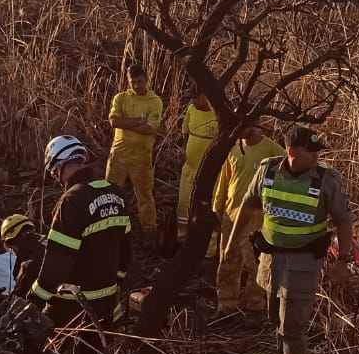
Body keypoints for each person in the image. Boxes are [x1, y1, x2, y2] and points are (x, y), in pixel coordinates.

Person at [227, 126, 357, 354]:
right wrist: (231, 242)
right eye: (312, 152)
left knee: (292, 325)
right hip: (272, 259)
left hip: (303, 262)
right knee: (276, 318)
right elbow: (248, 203)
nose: (317, 157)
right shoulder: (267, 171)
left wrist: (343, 261)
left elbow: (344, 220)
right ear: (292, 152)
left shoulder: (326, 181)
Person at [30, 135, 132, 329]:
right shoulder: (116, 193)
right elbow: (126, 247)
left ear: (59, 167)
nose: (56, 179)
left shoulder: (72, 201)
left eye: (54, 173)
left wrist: (34, 299)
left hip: (75, 305)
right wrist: (116, 279)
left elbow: (58, 260)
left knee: (48, 349)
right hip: (107, 301)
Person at [212, 121, 284, 317]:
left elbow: (288, 180)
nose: (239, 129)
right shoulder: (233, 148)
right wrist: (216, 211)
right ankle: (226, 305)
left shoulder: (272, 150)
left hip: (257, 218)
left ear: (255, 121)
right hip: (231, 215)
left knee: (256, 265)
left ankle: (256, 307)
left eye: (244, 122)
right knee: (227, 261)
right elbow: (223, 182)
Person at [105, 62, 164, 237]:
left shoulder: (155, 101)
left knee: (145, 198)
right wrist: (139, 121)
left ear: (146, 79)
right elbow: (114, 122)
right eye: (133, 82)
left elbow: (150, 128)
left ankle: (149, 233)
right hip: (118, 157)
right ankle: (109, 230)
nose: (136, 86)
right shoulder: (120, 98)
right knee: (110, 195)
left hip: (142, 159)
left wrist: (127, 123)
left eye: (139, 81)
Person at [176, 88, 220, 243]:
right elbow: (185, 131)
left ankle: (209, 244)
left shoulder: (219, 114)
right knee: (184, 203)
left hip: (211, 173)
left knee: (210, 207)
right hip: (190, 168)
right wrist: (183, 148)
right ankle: (182, 237)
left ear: (205, 95)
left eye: (195, 98)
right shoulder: (191, 109)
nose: (192, 102)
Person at [0, 212, 45, 298]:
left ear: (18, 240)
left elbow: (17, 301)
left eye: (12, 248)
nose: (14, 253)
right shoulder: (49, 244)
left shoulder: (31, 264)